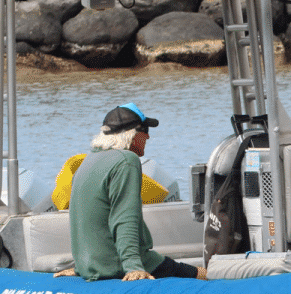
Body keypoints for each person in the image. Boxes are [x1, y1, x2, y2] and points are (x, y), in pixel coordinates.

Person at [56, 103, 206, 281]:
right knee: (203, 274)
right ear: (134, 134)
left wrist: (82, 266)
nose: (148, 137)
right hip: (121, 265)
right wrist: (133, 267)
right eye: (146, 131)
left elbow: (83, 220)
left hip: (93, 266)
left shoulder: (88, 162)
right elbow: (125, 217)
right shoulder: (126, 160)